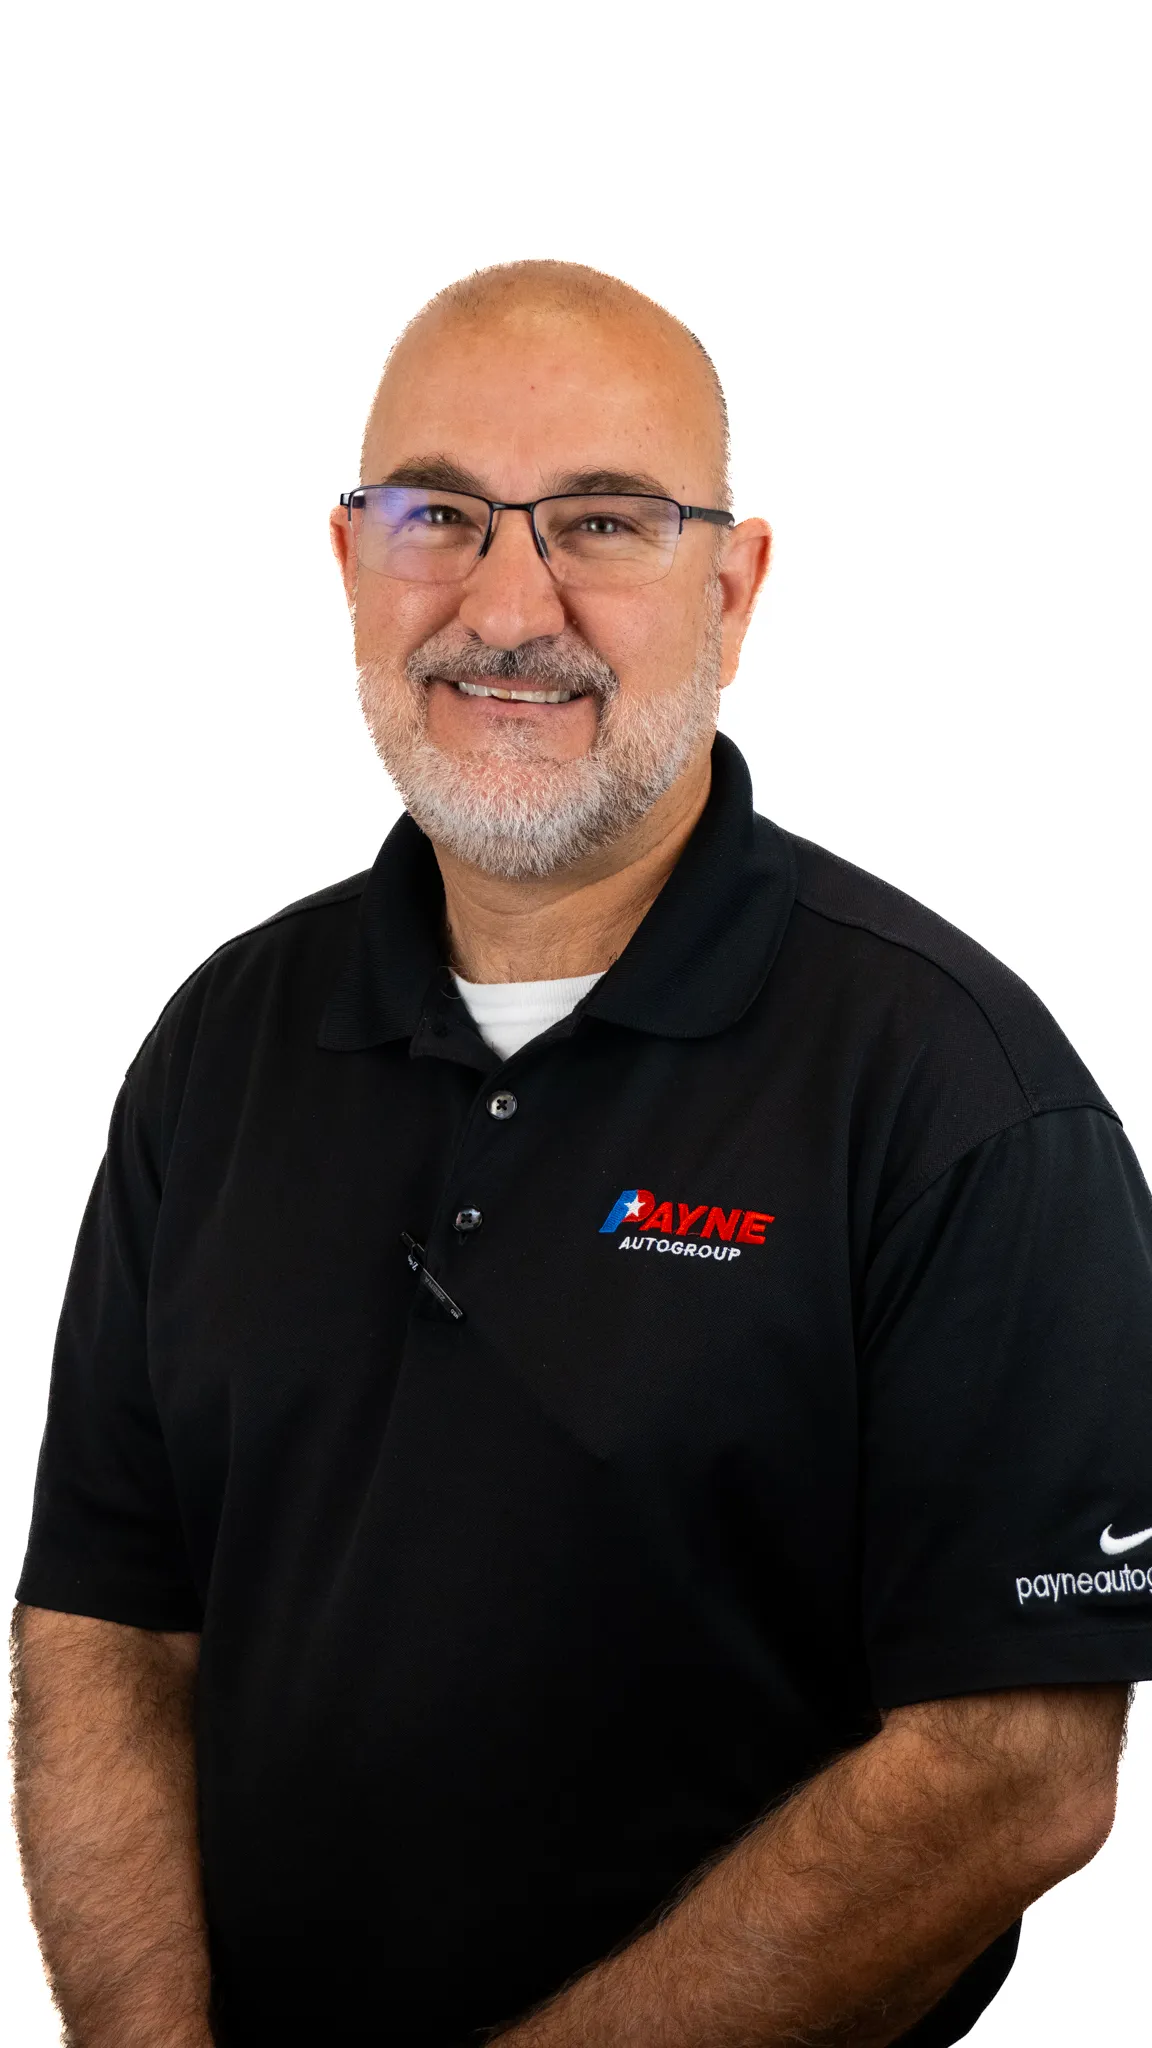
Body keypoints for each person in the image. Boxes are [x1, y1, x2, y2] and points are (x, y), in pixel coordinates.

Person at [11, 260, 1152, 2048]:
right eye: (437, 515)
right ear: (349, 561)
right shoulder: (220, 1047)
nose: (504, 603)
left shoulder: (958, 1093)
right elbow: (103, 1624)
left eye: (602, 522)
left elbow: (1019, 1765)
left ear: (733, 588)